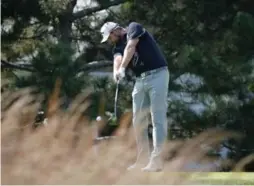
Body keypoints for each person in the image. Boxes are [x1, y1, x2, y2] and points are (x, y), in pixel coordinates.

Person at [100, 21, 169, 172]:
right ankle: (142, 160)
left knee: (157, 118)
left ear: (115, 31)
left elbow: (131, 47)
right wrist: (116, 72)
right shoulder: (117, 46)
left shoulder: (134, 28)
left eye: (110, 37)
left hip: (158, 74)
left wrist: (123, 68)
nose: (110, 40)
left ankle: (157, 161)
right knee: (138, 121)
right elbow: (118, 58)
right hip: (140, 80)